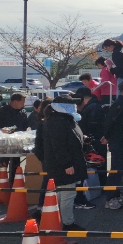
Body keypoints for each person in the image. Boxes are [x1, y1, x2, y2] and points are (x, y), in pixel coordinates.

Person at [38, 95, 87, 230]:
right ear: (63, 107)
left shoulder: (63, 119)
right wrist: (67, 164)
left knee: (62, 193)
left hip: (62, 163)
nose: (75, 107)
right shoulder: (58, 121)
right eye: (71, 105)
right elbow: (59, 146)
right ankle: (68, 223)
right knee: (67, 194)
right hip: (62, 165)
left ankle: (58, 221)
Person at [101, 80, 123, 210]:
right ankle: (110, 199)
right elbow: (110, 122)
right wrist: (107, 136)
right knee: (116, 171)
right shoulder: (119, 104)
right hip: (118, 142)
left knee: (119, 170)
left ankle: (116, 195)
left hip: (122, 141)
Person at [73, 86, 106, 209]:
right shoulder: (95, 106)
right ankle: (97, 189)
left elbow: (91, 126)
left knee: (94, 166)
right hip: (95, 142)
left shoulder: (91, 107)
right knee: (96, 167)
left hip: (93, 142)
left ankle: (95, 190)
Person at [0, 92, 29, 184]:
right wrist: (1, 129)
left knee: (16, 163)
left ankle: (13, 182)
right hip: (5, 142)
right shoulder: (2, 111)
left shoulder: (22, 112)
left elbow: (26, 125)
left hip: (18, 142)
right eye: (22, 102)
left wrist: (27, 129)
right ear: (15, 102)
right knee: (3, 162)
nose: (24, 104)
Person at [31, 97, 53, 219]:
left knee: (47, 180)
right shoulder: (46, 122)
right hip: (48, 156)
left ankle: (42, 207)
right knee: (48, 181)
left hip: (44, 156)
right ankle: (42, 207)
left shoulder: (42, 121)